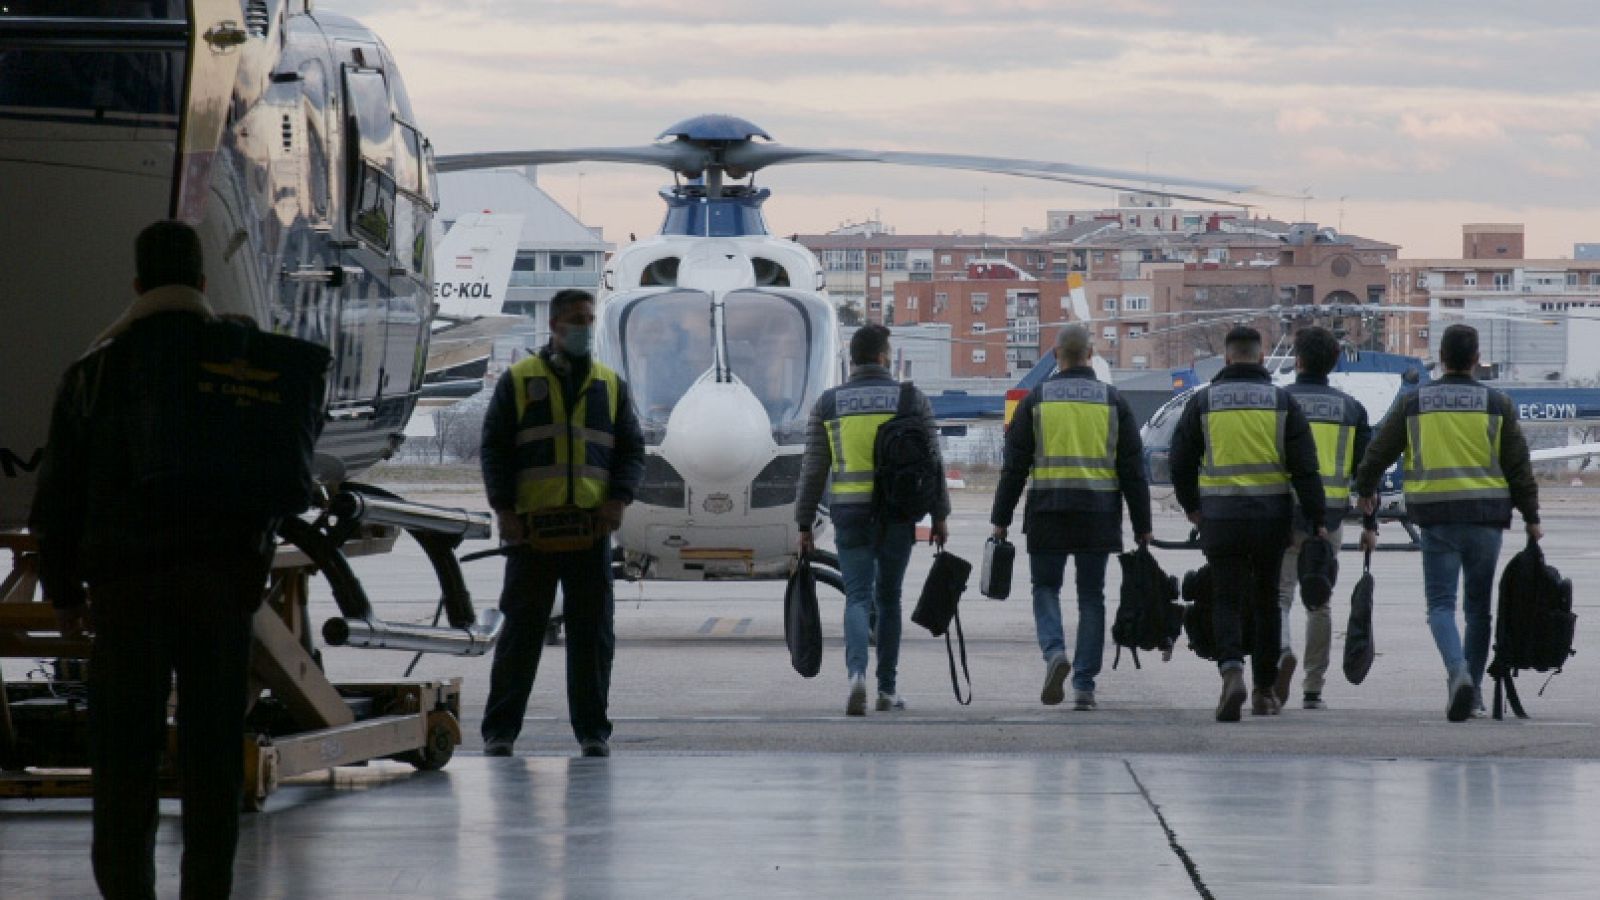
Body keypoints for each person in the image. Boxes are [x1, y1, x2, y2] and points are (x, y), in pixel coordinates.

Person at [30, 220, 307, 898]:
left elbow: (57, 499)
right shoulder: (240, 365)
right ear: (203, 283)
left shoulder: (95, 372)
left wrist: (65, 593)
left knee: (124, 763)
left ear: (136, 284)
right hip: (219, 596)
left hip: (127, 598)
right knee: (213, 764)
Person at [479, 289, 645, 757]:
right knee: (521, 634)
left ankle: (593, 732)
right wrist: (504, 510)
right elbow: (495, 449)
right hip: (532, 532)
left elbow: (631, 451)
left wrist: (618, 501)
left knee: (592, 636)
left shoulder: (609, 384)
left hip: (590, 531)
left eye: (590, 319)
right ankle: (500, 731)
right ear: (554, 325)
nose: (585, 328)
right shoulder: (518, 380)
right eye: (577, 320)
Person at [1355, 323, 1540, 722]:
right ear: (1476, 359)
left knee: (1440, 605)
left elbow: (1377, 453)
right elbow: (1519, 467)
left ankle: (1457, 673)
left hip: (1437, 518)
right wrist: (1531, 517)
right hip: (1486, 518)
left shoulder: (1415, 403)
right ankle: (1470, 692)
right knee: (1479, 610)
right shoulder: (1498, 404)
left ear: (1441, 358)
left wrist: (1366, 489)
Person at [989, 325, 1152, 711]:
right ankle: (1083, 685)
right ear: (1091, 354)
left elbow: (1014, 467)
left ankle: (1055, 653)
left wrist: (1001, 517)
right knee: (1091, 596)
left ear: (1054, 354)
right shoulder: (1114, 402)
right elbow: (1133, 470)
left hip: (1048, 510)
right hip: (1098, 514)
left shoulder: (1036, 399)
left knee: (1045, 588)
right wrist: (1143, 525)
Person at [1170, 326, 1326, 722]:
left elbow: (1180, 459)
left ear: (1226, 359)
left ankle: (1231, 671)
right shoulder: (1282, 402)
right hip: (1271, 520)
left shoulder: (1203, 402)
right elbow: (1306, 468)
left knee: (1226, 598)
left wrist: (1192, 506)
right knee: (1267, 602)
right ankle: (1263, 691)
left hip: (1220, 519)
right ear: (1260, 359)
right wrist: (1314, 519)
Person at [795, 324, 951, 715]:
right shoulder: (912, 399)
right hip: (898, 514)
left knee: (858, 597)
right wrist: (940, 515)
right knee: (890, 598)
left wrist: (803, 523)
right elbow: (933, 463)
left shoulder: (829, 404)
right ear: (884, 357)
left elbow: (813, 470)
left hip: (849, 513)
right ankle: (886, 689)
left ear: (853, 359)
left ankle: (855, 678)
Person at [1275, 327, 1372, 710]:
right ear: (1334, 363)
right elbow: (1366, 477)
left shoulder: (1278, 403)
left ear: (1297, 360)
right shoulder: (1351, 409)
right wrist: (1370, 526)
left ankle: (1280, 649)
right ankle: (1313, 687)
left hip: (1283, 515)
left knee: (1279, 596)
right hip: (1329, 521)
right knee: (1319, 602)